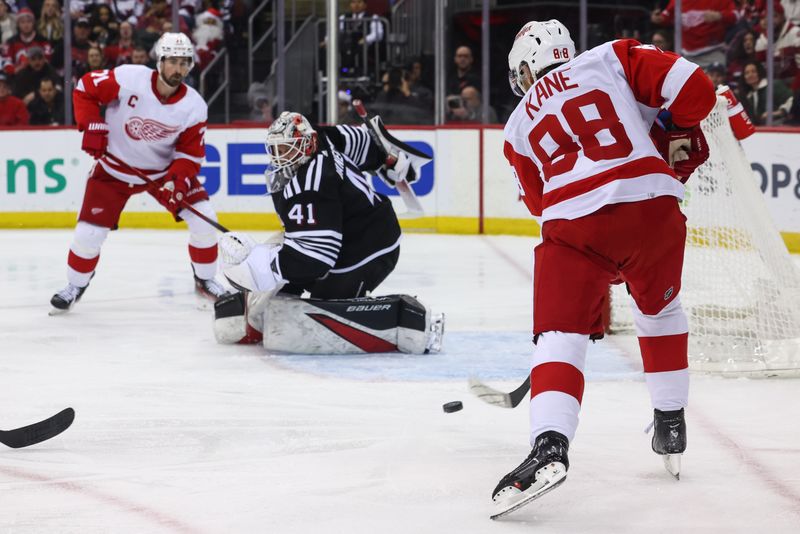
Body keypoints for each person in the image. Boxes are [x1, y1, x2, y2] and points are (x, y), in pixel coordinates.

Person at [493, 20, 716, 518]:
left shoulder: (515, 125)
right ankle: (670, 418)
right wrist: (675, 130)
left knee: (559, 337)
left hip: (576, 228)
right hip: (653, 211)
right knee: (660, 313)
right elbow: (696, 89)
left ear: (527, 68)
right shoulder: (611, 58)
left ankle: (549, 444)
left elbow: (537, 201)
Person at [212, 111, 443, 354]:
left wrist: (259, 267)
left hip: (369, 247)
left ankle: (407, 325)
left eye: (287, 149)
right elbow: (364, 141)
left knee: (319, 306)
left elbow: (315, 260)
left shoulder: (311, 184)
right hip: (343, 231)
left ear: (307, 145)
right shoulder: (324, 138)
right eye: (277, 149)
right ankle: (256, 316)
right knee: (281, 269)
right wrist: (386, 161)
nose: (280, 157)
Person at [50, 32, 228, 312]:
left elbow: (190, 155)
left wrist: (178, 179)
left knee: (206, 221)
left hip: (161, 175)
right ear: (160, 60)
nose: (177, 69)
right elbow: (84, 88)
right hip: (113, 171)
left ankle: (205, 279)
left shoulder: (194, 106)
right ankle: (75, 284)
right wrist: (91, 125)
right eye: (172, 61)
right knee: (88, 236)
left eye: (184, 63)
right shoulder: (130, 78)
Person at [651, 0, 738, 68]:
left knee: (716, 87)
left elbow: (736, 16)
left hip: (713, 52)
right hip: (687, 56)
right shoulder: (678, 1)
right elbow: (665, 17)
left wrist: (720, 15)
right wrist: (657, 18)